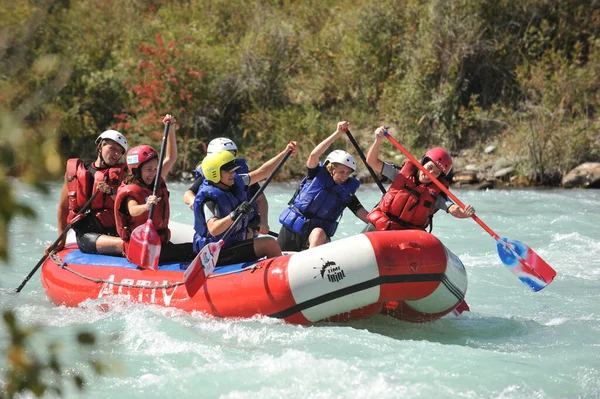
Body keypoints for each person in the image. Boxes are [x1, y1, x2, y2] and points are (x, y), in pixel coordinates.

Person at [193, 142, 298, 266]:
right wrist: (234, 215)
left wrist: (285, 153)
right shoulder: (209, 198)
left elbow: (263, 172)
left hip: (234, 244)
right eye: (229, 171)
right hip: (216, 253)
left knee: (257, 237)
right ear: (214, 173)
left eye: (233, 170)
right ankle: (280, 279)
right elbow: (214, 229)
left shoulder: (236, 182)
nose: (233, 173)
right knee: (270, 244)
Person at [114, 114, 195, 264]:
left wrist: (170, 129)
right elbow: (132, 211)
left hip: (158, 242)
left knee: (192, 248)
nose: (153, 173)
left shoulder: (156, 180)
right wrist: (146, 206)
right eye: (149, 169)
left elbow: (171, 157)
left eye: (155, 168)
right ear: (136, 171)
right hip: (142, 247)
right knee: (192, 250)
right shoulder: (132, 190)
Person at [277, 121, 369, 252]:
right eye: (341, 171)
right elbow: (314, 155)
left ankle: (312, 266)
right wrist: (338, 133)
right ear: (331, 168)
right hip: (293, 229)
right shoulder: (315, 174)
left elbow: (364, 215)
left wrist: (385, 226)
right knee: (277, 257)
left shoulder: (347, 194)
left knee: (319, 232)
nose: (345, 176)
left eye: (348, 173)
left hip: (317, 237)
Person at [364, 125, 475, 232]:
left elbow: (454, 210)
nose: (430, 174)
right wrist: (377, 141)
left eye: (436, 173)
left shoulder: (437, 194)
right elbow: (372, 162)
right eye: (429, 167)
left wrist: (465, 213)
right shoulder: (400, 174)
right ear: (422, 163)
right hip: (381, 225)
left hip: (407, 235)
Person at [49, 129, 129, 256]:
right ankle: (129, 247)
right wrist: (61, 241)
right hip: (87, 235)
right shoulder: (74, 175)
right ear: (100, 146)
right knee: (127, 246)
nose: (116, 154)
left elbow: (129, 209)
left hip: (115, 231)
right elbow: (63, 208)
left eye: (120, 151)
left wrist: (111, 191)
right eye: (112, 148)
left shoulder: (123, 176)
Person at [183, 138, 270, 237]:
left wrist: (264, 222)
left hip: (244, 224)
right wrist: (195, 203)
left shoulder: (239, 176)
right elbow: (187, 194)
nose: (229, 158)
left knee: (248, 232)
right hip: (223, 225)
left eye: (232, 154)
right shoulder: (210, 177)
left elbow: (260, 198)